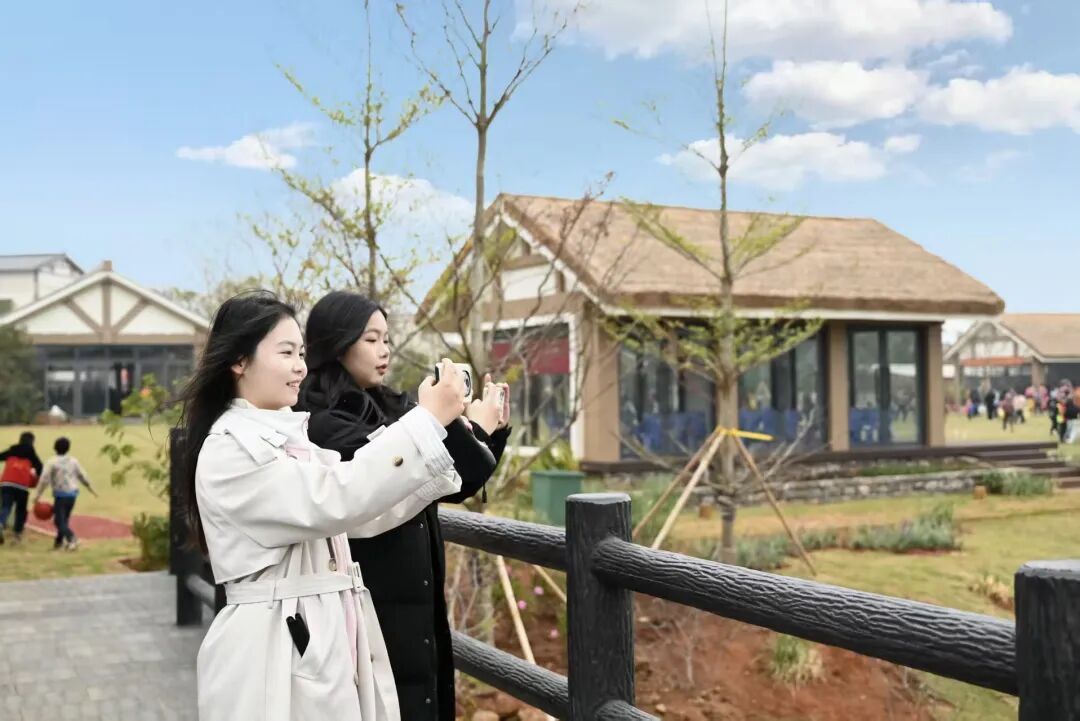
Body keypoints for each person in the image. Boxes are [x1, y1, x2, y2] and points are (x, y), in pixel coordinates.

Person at [178, 291, 468, 721]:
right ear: (239, 361)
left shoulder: (285, 439)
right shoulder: (233, 449)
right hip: (273, 647)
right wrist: (424, 422)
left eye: (301, 353)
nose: (301, 366)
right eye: (286, 353)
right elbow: (338, 496)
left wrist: (441, 454)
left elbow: (362, 510)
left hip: (311, 634)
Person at [297, 290, 511, 721]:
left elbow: (451, 483)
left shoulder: (390, 409)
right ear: (338, 343)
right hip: (371, 599)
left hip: (414, 596)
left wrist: (483, 432)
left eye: (387, 339)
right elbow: (396, 481)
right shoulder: (322, 424)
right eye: (371, 339)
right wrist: (450, 425)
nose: (384, 350)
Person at [32, 437, 98, 551]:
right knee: (64, 520)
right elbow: (82, 475)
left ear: (54, 447)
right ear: (68, 448)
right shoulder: (73, 461)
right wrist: (90, 488)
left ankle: (72, 538)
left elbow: (44, 479)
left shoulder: (52, 462)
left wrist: (37, 495)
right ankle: (58, 542)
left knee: (58, 521)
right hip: (72, 495)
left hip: (61, 495)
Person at [0, 431, 44, 546]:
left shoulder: (12, 450)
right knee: (21, 510)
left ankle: (1, 522)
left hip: (6, 483)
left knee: (6, 506)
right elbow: (40, 468)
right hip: (21, 485)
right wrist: (36, 478)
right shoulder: (31, 454)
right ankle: (17, 534)